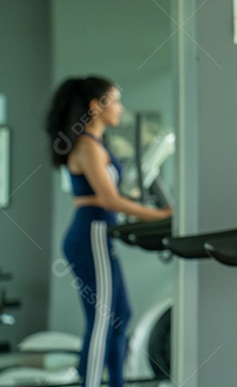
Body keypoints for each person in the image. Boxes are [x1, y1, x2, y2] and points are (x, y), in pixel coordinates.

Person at [45, 77, 172, 387]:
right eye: (115, 100)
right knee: (102, 321)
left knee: (121, 317)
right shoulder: (87, 146)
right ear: (96, 106)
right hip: (91, 234)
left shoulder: (97, 143)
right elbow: (109, 199)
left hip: (100, 233)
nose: (120, 107)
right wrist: (164, 215)